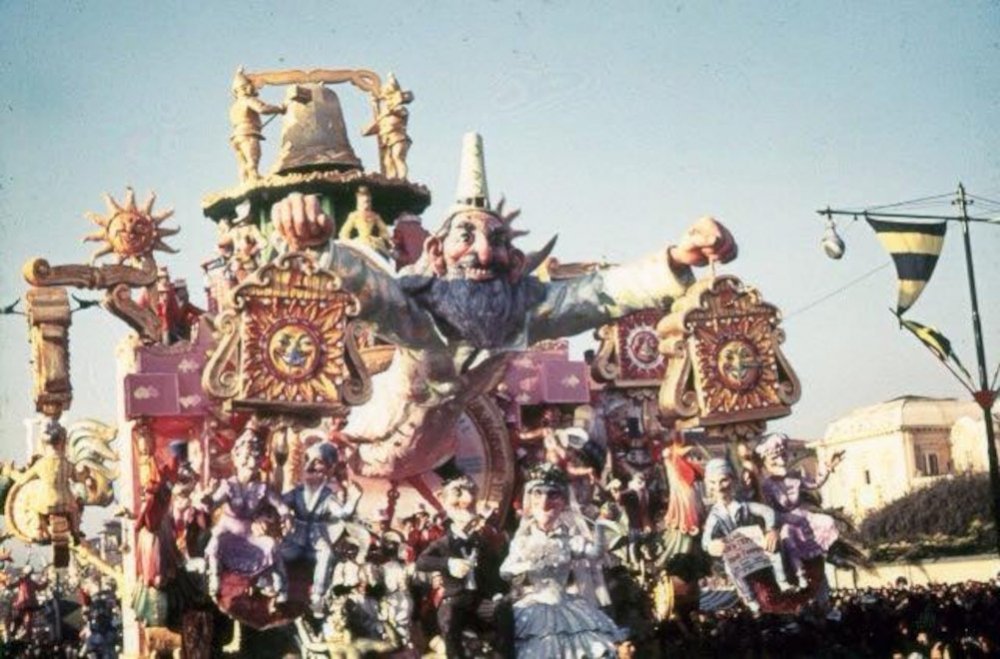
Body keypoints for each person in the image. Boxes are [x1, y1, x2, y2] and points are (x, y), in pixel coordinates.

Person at [268, 133, 737, 481]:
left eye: (496, 239)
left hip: (440, 453)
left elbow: (600, 293)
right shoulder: (415, 306)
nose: (483, 253)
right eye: (466, 236)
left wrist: (681, 255)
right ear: (436, 250)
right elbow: (372, 290)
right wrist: (319, 247)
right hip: (359, 443)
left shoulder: (522, 311)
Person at [500, 464, 625, 658]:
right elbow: (505, 570)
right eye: (538, 494)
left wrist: (600, 528)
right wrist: (526, 566)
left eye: (552, 495)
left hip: (566, 605)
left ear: (562, 502)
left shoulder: (567, 539)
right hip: (534, 607)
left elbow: (594, 553)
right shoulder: (523, 540)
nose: (544, 502)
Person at [415, 476, 510, 659]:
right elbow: (422, 561)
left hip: (478, 600)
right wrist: (448, 563)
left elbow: (493, 569)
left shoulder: (481, 541)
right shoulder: (443, 544)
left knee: (503, 611)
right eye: (461, 508)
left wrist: (497, 592)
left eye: (470, 509)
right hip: (455, 600)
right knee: (449, 622)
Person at [701, 458, 810, 615]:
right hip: (738, 552)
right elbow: (706, 539)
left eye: (723, 481)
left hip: (756, 542)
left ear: (731, 480)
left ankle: (783, 581)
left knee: (774, 546)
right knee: (731, 568)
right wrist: (711, 546)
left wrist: (771, 529)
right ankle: (750, 599)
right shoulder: (715, 515)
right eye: (713, 483)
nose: (719, 488)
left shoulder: (743, 505)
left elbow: (768, 512)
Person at [280, 442, 363, 616]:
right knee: (275, 551)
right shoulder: (296, 492)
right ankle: (280, 590)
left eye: (317, 462)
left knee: (326, 554)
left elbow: (342, 513)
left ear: (328, 468)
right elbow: (278, 504)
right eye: (307, 460)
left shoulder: (328, 497)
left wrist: (354, 498)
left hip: (316, 544)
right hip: (295, 540)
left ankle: (317, 597)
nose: (310, 466)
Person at [229, 67, 286, 182]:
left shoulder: (234, 106)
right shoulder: (247, 100)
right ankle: (254, 178)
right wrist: (279, 108)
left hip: (236, 136)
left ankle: (244, 182)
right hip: (248, 134)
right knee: (253, 159)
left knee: (243, 163)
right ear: (245, 88)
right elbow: (262, 109)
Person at [337, 186, 393, 254]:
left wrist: (385, 238)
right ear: (359, 202)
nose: (366, 204)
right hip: (360, 243)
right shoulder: (354, 216)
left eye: (368, 202)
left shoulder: (375, 216)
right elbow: (344, 232)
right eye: (364, 202)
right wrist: (348, 243)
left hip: (373, 243)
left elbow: (383, 229)